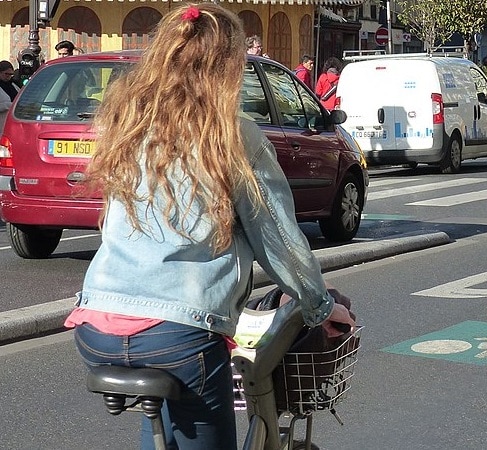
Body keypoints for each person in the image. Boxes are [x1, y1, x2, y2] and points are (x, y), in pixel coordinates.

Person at [63, 4, 354, 449]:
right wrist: (318, 307)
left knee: (163, 422)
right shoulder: (232, 135)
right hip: (179, 331)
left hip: (96, 323)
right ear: (230, 67)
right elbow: (277, 238)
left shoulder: (130, 122)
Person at [0, 60, 19, 135]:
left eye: (10, 74)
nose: (8, 76)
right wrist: (9, 105)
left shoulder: (13, 85)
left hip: (12, 124)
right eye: (6, 74)